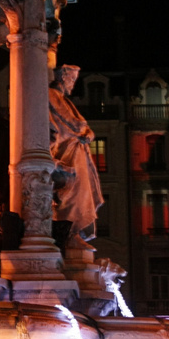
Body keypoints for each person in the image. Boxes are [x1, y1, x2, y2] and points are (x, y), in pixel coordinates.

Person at [48, 65, 103, 244]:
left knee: (80, 192)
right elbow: (72, 122)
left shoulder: (64, 98)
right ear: (63, 78)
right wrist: (85, 131)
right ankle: (71, 231)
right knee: (74, 193)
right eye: (71, 80)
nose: (73, 85)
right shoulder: (52, 94)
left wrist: (87, 132)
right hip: (67, 150)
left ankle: (74, 231)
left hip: (75, 150)